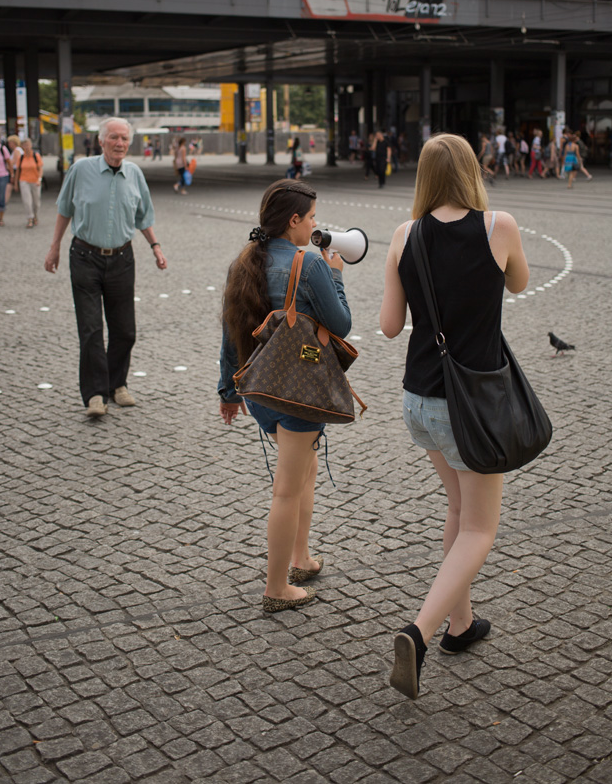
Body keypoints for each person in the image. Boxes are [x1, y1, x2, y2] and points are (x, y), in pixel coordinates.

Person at [379, 132, 529, 700]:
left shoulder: (404, 236)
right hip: (472, 406)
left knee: (460, 509)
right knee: (480, 527)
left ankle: (461, 626)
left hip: (420, 401)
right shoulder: (499, 226)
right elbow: (517, 281)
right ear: (471, 171)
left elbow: (391, 326)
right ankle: (418, 633)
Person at [218, 178, 352, 613]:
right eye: (311, 217)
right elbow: (341, 322)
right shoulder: (309, 264)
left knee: (305, 470)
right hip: (296, 391)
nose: (315, 224)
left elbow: (230, 332)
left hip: (258, 386)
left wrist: (228, 390)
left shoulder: (243, 261)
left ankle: (301, 558)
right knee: (287, 489)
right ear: (294, 221)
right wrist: (335, 277)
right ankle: (278, 587)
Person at [44, 118, 167, 417]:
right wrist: (54, 246)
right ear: (101, 141)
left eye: (124, 138)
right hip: (85, 257)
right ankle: (95, 394)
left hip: (122, 260)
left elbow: (143, 216)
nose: (120, 143)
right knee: (91, 330)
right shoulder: (81, 170)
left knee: (125, 330)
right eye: (114, 137)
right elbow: (64, 209)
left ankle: (116, 384)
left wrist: (155, 246)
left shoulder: (134, 174)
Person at [14, 138, 44, 228]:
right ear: (22, 147)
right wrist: (16, 183)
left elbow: (40, 169)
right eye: (24, 145)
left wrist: (39, 179)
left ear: (31, 145)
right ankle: (30, 218)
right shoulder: (21, 157)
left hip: (35, 180)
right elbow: (18, 171)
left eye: (27, 145)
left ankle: (35, 215)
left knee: (36, 202)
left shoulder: (36, 156)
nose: (26, 147)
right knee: (27, 201)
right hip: (24, 180)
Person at [5, 135, 22, 205]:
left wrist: (6, 165)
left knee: (8, 187)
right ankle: (3, 203)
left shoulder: (16, 151)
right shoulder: (17, 150)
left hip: (15, 170)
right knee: (9, 187)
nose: (9, 144)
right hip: (14, 170)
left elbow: (14, 162)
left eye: (10, 143)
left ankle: (3, 203)